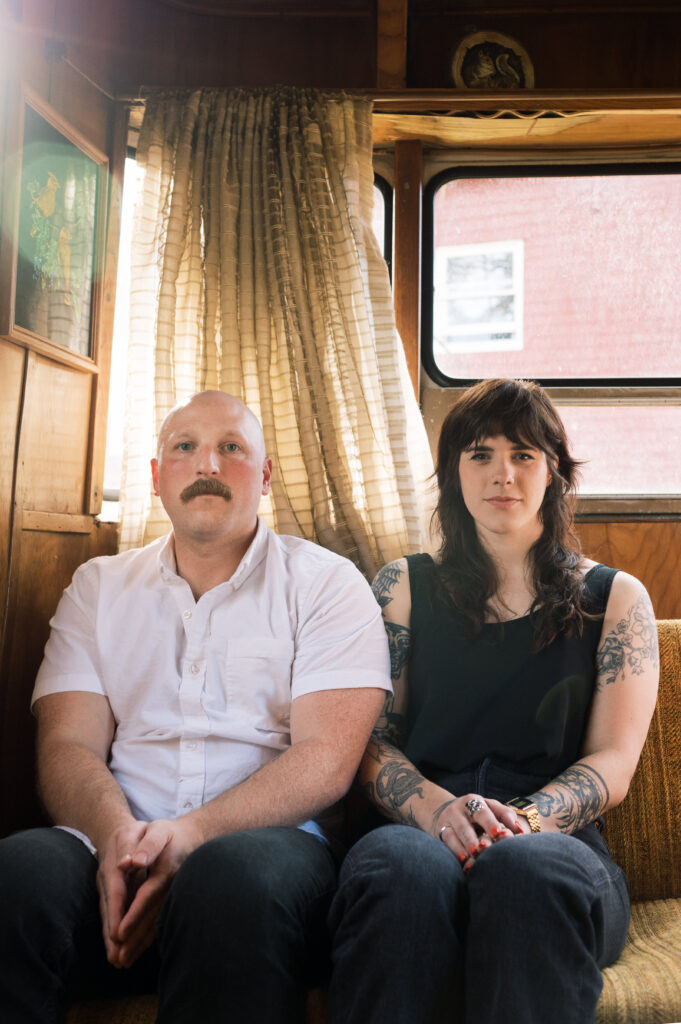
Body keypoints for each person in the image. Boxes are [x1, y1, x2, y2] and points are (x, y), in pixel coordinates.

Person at [0, 390, 390, 1024]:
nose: (208, 462)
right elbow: (67, 745)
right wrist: (118, 838)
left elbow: (326, 760)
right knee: (17, 873)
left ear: (264, 477)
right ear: (157, 478)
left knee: (226, 880)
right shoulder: (97, 588)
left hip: (270, 849)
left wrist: (190, 837)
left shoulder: (325, 583)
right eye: (185, 447)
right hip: (110, 835)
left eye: (231, 448)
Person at [327, 378, 659, 1024]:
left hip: (554, 844)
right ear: (453, 473)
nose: (501, 474)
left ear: (554, 472)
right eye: (479, 454)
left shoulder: (614, 600)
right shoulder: (401, 587)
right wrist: (438, 812)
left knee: (525, 871)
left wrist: (519, 824)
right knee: (400, 870)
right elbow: (365, 739)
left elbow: (613, 762)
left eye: (523, 454)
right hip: (415, 830)